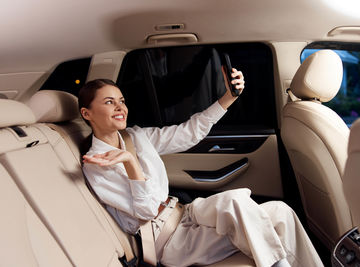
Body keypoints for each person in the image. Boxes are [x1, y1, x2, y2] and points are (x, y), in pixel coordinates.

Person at [79, 68, 323, 267]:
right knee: (253, 215)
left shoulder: (136, 136)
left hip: (185, 213)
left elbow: (188, 133)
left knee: (280, 211)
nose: (120, 108)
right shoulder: (95, 164)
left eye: (121, 101)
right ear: (86, 113)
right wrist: (130, 163)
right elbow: (146, 211)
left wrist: (228, 97)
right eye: (110, 102)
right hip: (169, 240)